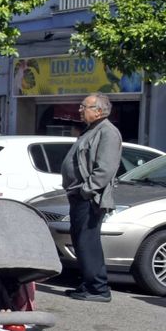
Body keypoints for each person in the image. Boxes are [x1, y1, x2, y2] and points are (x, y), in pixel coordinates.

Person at [64, 94, 123, 302]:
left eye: (84, 106)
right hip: (79, 195)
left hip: (90, 197)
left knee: (87, 242)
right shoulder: (92, 129)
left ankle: (98, 288)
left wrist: (85, 190)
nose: (80, 110)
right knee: (81, 242)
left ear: (98, 111)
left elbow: (105, 169)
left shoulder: (108, 132)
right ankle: (89, 284)